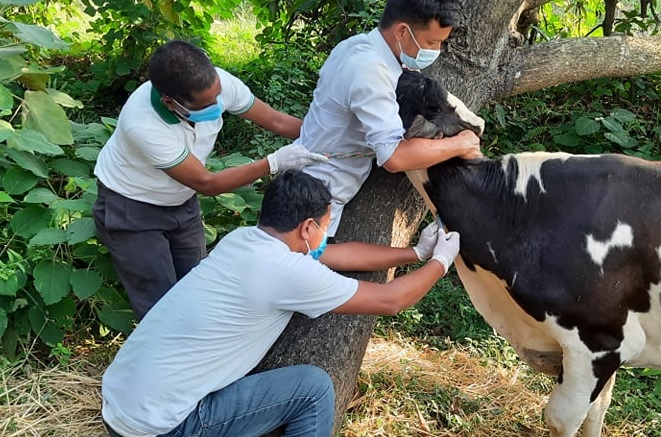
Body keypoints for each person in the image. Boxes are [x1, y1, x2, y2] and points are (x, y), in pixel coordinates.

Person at [100, 169, 460, 437]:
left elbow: (340, 254)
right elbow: (391, 300)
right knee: (313, 388)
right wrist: (440, 262)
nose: (324, 236)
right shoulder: (286, 271)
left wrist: (416, 252)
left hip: (119, 404)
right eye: (324, 227)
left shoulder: (242, 241)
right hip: (162, 427)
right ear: (307, 228)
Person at [93, 40, 327, 320]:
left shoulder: (216, 83)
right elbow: (207, 183)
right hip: (133, 209)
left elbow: (275, 121)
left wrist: (323, 139)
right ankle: (168, 359)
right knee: (159, 305)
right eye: (207, 104)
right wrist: (273, 163)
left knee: (197, 285)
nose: (218, 104)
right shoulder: (142, 124)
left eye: (218, 96)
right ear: (171, 102)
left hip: (181, 202)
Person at [296, 0, 482, 241]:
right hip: (318, 197)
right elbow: (394, 157)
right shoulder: (371, 71)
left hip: (309, 177)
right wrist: (462, 144)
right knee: (301, 268)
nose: (435, 51)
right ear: (403, 31)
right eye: (431, 42)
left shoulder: (353, 46)